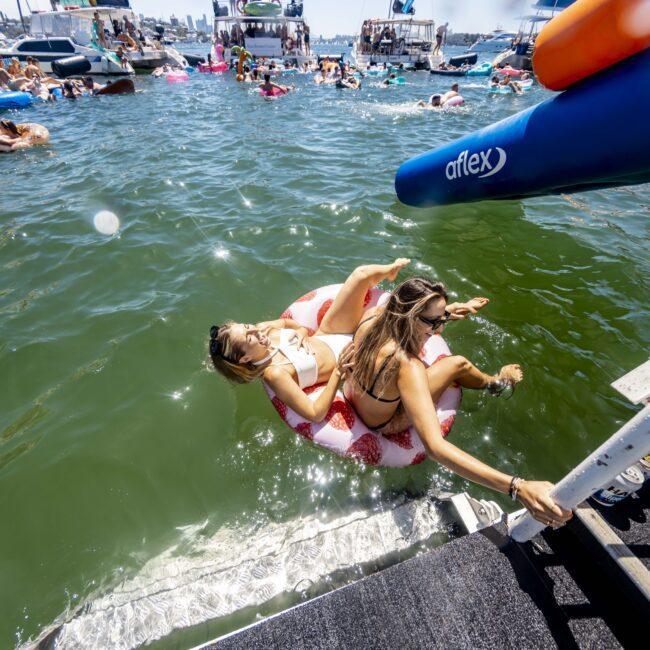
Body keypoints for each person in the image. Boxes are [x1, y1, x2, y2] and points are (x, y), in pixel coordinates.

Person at [343, 274, 573, 529]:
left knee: (446, 360)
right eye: (433, 322)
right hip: (386, 423)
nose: (439, 329)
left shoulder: (373, 318)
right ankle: (497, 383)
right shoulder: (407, 366)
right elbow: (435, 447)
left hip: (356, 398)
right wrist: (516, 487)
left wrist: (448, 312)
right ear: (410, 316)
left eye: (442, 320)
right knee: (457, 364)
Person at [210, 261, 415, 421]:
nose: (254, 329)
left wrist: (301, 331)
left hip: (328, 333)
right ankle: (433, 314)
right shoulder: (275, 374)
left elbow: (286, 323)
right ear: (245, 358)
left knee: (360, 275)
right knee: (379, 315)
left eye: (247, 326)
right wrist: (338, 372)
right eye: (249, 336)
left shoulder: (263, 329)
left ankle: (390, 270)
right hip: (354, 359)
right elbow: (315, 413)